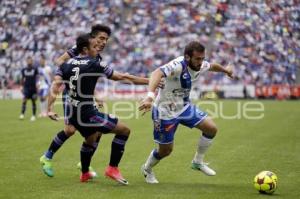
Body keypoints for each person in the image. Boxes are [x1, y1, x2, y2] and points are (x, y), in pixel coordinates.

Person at [42, 33, 149, 184]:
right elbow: (123, 77)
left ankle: (85, 173)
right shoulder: (93, 64)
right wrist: (150, 81)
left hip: (74, 113)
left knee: (91, 139)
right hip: (88, 114)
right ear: (85, 50)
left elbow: (56, 85)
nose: (97, 49)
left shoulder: (65, 65)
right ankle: (112, 168)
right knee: (124, 130)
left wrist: (50, 108)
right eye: (94, 46)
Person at [139, 41, 234, 184]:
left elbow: (212, 66)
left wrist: (226, 70)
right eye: (198, 59)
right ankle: (147, 169)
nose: (201, 62)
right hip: (165, 112)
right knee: (165, 151)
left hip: (184, 108)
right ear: (187, 57)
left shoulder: (200, 65)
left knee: (211, 129)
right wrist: (150, 96)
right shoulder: (177, 65)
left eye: (202, 58)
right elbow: (156, 73)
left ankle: (197, 161)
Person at [40, 25, 112, 176]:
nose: (104, 42)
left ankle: (84, 164)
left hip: (85, 97)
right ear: (92, 37)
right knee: (70, 130)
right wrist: (66, 74)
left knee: (97, 131)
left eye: (106, 39)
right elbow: (60, 60)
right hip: (72, 95)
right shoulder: (79, 48)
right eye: (101, 38)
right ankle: (46, 157)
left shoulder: (97, 56)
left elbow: (86, 81)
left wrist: (95, 96)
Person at [19, 56, 39, 121]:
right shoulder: (24, 70)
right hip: (26, 88)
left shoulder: (35, 69)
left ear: (32, 61)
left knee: (33, 101)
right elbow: (22, 79)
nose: (29, 61)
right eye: (28, 60)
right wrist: (21, 86)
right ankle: (22, 114)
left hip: (33, 88)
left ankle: (33, 115)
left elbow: (38, 77)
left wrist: (38, 84)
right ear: (26, 61)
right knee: (24, 100)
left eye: (30, 60)